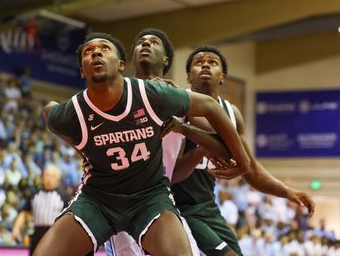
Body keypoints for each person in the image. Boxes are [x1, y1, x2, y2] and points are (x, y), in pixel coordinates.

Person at [36, 32, 249, 256]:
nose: (96, 52)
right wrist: (81, 146)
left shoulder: (150, 94)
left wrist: (243, 161)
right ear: (82, 70)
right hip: (98, 199)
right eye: (89, 51)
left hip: (150, 197)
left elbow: (209, 106)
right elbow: (49, 111)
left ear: (120, 65)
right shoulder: (75, 111)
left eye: (104, 48)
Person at [167, 45, 316, 255]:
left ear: (222, 77)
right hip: (175, 203)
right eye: (199, 62)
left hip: (207, 205)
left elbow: (252, 169)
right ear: (189, 75)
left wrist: (288, 192)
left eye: (212, 62)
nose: (206, 66)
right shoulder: (178, 103)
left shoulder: (231, 113)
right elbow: (219, 140)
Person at [105, 28, 232, 256]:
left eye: (153, 42)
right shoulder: (116, 93)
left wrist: (199, 151)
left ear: (166, 59)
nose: (145, 44)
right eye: (141, 42)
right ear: (132, 57)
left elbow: (222, 139)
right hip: (121, 202)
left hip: (160, 200)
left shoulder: (178, 99)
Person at [12, 166, 68, 255]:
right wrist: (16, 228)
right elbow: (24, 213)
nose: (49, 179)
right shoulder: (35, 195)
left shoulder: (63, 197)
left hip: (54, 234)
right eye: (47, 175)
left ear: (57, 179)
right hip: (37, 233)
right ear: (42, 177)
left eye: (52, 176)